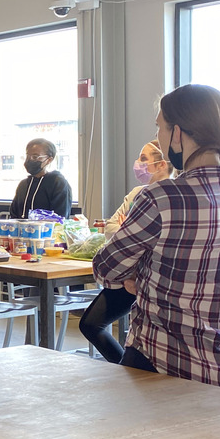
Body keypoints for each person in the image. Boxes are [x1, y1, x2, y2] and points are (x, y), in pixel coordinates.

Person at [93, 84, 220, 388]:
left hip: (161, 357)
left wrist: (139, 276)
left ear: (178, 133)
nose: (158, 138)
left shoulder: (162, 196)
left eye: (160, 128)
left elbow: (105, 266)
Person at [79, 141, 172, 362]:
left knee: (93, 323)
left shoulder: (167, 196)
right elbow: (111, 227)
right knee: (90, 324)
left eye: (144, 158)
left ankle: (122, 366)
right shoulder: (138, 193)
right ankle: (122, 366)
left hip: (141, 274)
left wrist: (127, 230)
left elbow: (132, 236)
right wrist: (127, 231)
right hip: (125, 272)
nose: (138, 164)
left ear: (160, 164)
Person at [8, 137, 72, 219]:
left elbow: (59, 217)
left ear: (49, 160)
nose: (30, 160)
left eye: (35, 157)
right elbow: (14, 214)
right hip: (21, 231)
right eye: (28, 156)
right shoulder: (23, 185)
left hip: (47, 231)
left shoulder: (58, 183)